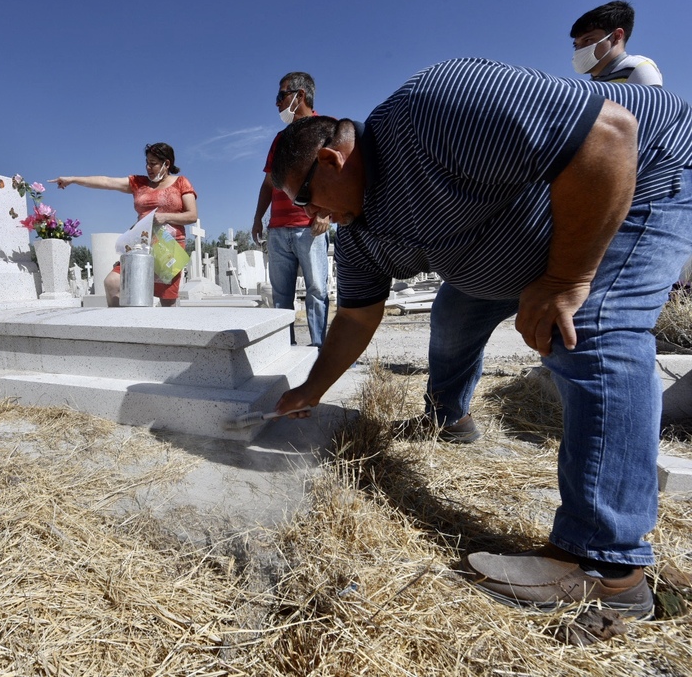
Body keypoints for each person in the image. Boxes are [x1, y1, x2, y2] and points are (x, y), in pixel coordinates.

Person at [270, 57, 692, 617]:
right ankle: (448, 417)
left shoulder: (432, 109)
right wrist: (312, 389)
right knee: (455, 312)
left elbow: (609, 135)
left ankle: (606, 568)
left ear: (331, 160)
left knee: (590, 330)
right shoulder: (357, 230)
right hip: (518, 232)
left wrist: (565, 280)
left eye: (305, 198)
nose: (308, 214)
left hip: (640, 170)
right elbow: (354, 318)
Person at [51, 143, 198, 306]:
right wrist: (73, 179)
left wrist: (165, 217)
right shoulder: (138, 183)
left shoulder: (181, 182)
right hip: (141, 245)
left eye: (153, 163)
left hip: (169, 248)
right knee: (112, 282)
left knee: (167, 301)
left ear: (167, 164)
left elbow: (192, 215)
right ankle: (121, 321)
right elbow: (106, 181)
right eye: (147, 163)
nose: (148, 167)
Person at [251, 72, 330, 347]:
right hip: (278, 230)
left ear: (300, 95)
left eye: (281, 95)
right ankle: (285, 350)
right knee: (281, 297)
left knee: (317, 291)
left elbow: (339, 179)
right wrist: (258, 218)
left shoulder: (326, 130)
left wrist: (325, 213)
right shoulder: (280, 139)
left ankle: (319, 349)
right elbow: (268, 183)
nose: (277, 103)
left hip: (310, 228)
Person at [570, 0, 662, 86]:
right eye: (575, 45)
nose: (579, 50)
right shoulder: (590, 84)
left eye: (587, 40)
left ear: (616, 36)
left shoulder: (638, 70)